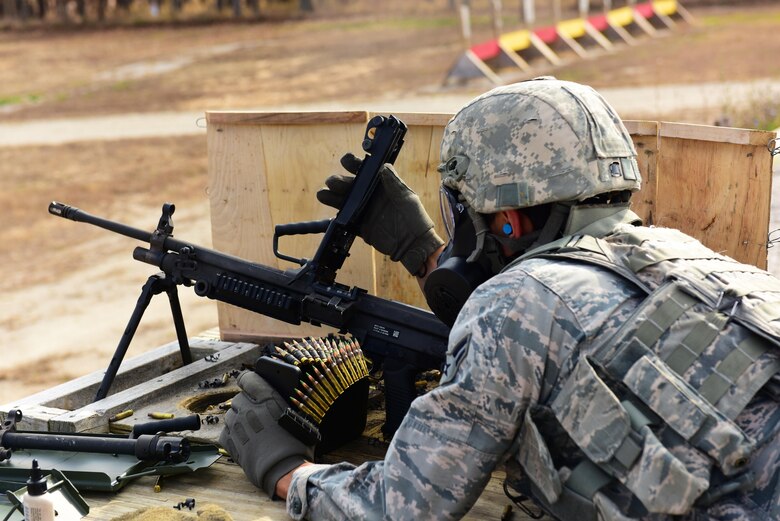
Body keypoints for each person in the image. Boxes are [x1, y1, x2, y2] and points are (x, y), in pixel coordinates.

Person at [219, 77, 780, 521]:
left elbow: (400, 507)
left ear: (507, 222)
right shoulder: (685, 255)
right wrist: (423, 252)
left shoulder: (515, 305)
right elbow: (555, 328)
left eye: (466, 216)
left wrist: (285, 469)